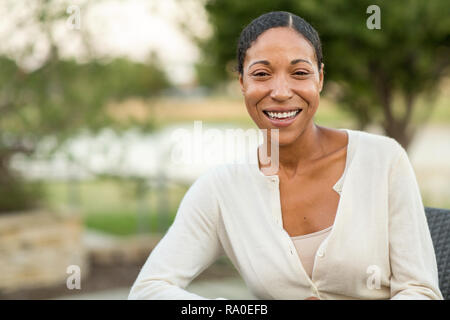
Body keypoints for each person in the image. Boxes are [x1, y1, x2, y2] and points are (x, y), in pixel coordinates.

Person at [128, 11, 443, 300]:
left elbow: (420, 291)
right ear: (242, 82)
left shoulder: (383, 160)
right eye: (262, 74)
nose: (280, 91)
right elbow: (149, 290)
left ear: (319, 78)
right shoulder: (221, 189)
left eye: (300, 72)